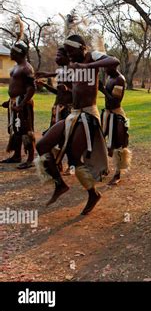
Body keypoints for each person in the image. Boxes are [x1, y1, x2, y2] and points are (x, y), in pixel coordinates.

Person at [35, 34, 120, 215]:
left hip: (88, 114)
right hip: (74, 114)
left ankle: (93, 194)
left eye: (72, 52)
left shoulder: (93, 56)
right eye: (67, 53)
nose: (70, 55)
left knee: (74, 156)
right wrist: (47, 76)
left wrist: (86, 66)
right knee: (42, 145)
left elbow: (114, 60)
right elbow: (63, 73)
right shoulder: (73, 65)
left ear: (82, 48)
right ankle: (60, 184)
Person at [1, 17, 36, 169]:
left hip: (23, 103)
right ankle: (16, 155)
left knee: (26, 130)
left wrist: (21, 104)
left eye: (12, 51)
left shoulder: (26, 68)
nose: (10, 54)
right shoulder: (16, 67)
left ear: (18, 53)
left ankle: (30, 158)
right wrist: (10, 102)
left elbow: (31, 88)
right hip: (15, 102)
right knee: (15, 129)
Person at [99, 65, 131, 186]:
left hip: (117, 115)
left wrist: (102, 89)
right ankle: (103, 168)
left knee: (119, 143)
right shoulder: (110, 77)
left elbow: (115, 101)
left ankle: (117, 174)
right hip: (107, 114)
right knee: (102, 140)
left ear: (113, 66)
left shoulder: (119, 79)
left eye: (107, 67)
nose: (105, 69)